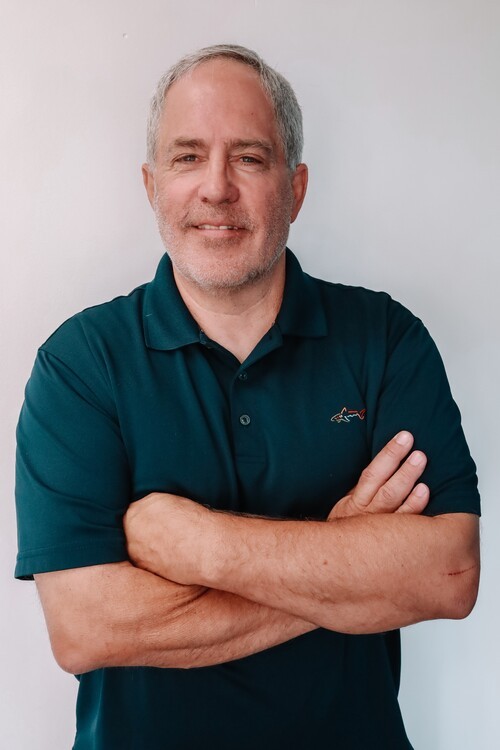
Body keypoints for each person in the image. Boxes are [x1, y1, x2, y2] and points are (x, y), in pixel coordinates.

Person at [15, 44, 480, 749]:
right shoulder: (81, 365)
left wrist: (202, 546)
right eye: (188, 157)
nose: (216, 188)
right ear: (151, 185)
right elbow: (85, 629)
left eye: (250, 158)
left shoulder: (385, 339)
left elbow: (448, 573)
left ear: (296, 187)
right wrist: (347, 555)